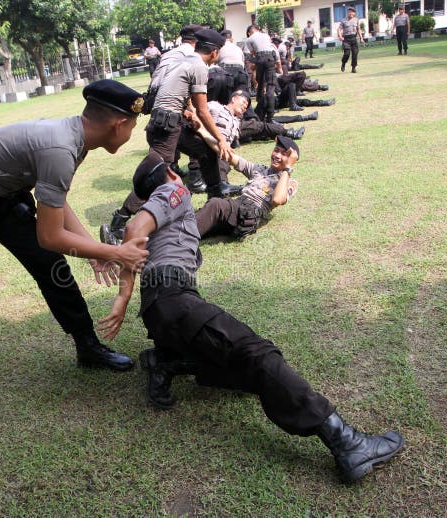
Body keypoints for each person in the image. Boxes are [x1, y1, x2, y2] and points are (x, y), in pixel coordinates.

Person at [96, 153, 405, 484]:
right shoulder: (175, 191)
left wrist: (126, 298)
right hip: (175, 300)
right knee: (258, 356)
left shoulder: (161, 216)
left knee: (231, 367)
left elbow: (136, 233)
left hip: (159, 311)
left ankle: (165, 360)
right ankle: (347, 442)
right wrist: (121, 297)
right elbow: (133, 228)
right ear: (171, 173)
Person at [0, 80, 150, 434]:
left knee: (51, 268)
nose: (132, 131)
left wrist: (92, 253)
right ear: (118, 124)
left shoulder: (77, 140)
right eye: (133, 125)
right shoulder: (61, 147)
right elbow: (49, 235)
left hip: (1, 198)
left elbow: (56, 200)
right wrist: (114, 251)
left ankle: (88, 347)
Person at [100, 29, 233, 246]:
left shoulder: (184, 59)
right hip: (167, 127)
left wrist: (186, 109)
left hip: (168, 123)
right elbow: (203, 110)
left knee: (205, 151)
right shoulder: (199, 66)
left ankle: (215, 201)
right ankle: (117, 225)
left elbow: (174, 91)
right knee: (158, 176)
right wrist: (221, 139)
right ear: (215, 52)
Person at [195, 135, 300, 240]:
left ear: (291, 160)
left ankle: (184, 235)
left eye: (284, 154)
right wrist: (202, 131)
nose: (277, 155)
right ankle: (184, 236)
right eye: (276, 150)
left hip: (247, 214)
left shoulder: (290, 182)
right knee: (201, 219)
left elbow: (277, 199)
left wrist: (288, 168)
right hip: (235, 209)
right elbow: (229, 155)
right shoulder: (259, 169)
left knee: (216, 204)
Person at [244, 24, 283, 122]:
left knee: (260, 84)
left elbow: (254, 53)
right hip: (269, 57)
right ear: (257, 29)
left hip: (259, 59)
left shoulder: (249, 40)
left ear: (249, 33)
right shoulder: (265, 36)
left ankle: (260, 108)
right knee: (270, 85)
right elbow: (271, 47)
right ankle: (270, 114)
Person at [218, 29, 250, 96]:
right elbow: (243, 63)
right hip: (240, 71)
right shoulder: (237, 48)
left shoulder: (219, 48)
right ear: (231, 39)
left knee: (227, 95)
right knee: (241, 94)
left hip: (226, 70)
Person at [338, 7, 365, 73]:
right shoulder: (343, 20)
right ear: (348, 12)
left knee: (355, 53)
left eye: (352, 12)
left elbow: (358, 29)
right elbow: (339, 29)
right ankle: (343, 63)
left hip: (353, 38)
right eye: (349, 12)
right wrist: (340, 36)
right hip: (346, 39)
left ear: (354, 13)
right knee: (347, 54)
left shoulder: (356, 20)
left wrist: (361, 38)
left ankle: (353, 68)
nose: (350, 13)